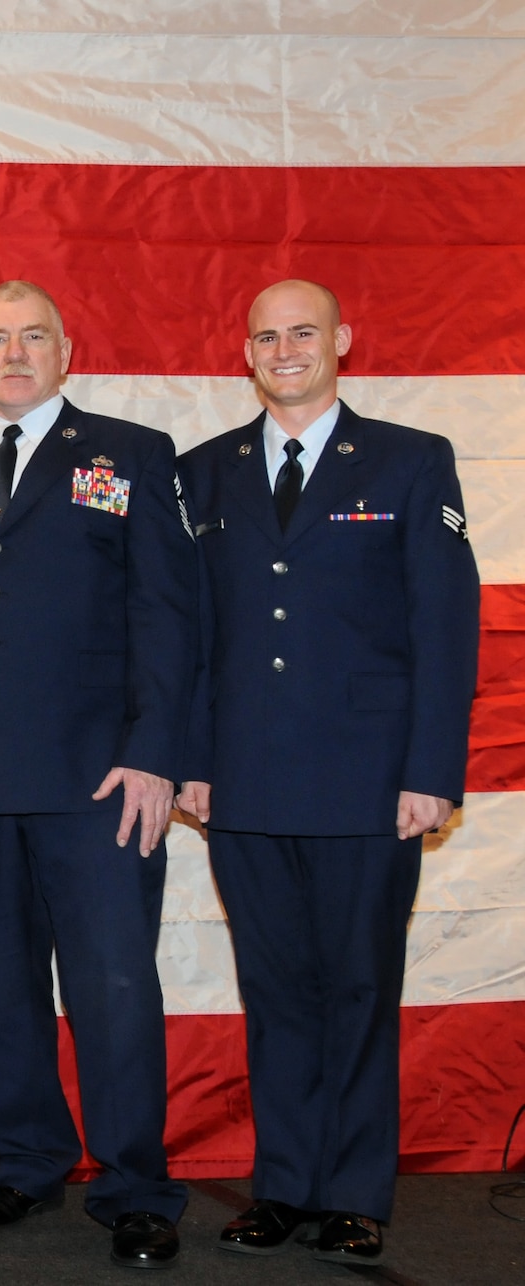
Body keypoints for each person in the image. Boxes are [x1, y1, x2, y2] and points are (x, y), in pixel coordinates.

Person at [175, 280, 479, 1267]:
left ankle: (351, 1191)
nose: (283, 347)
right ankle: (283, 1184)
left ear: (341, 339)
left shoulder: (406, 460)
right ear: (245, 353)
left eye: (301, 331)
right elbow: (189, 637)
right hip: (244, 780)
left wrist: (430, 770)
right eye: (264, 335)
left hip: (366, 780)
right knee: (272, 987)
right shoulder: (204, 473)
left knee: (354, 985)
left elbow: (443, 630)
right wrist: (187, 760)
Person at [0, 281, 197, 1269]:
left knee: (112, 988)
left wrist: (156, 749)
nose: (13, 352)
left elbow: (166, 613)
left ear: (65, 352)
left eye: (32, 337)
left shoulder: (128, 456)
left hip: (97, 781)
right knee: (4, 986)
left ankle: (133, 1186)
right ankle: (24, 1160)